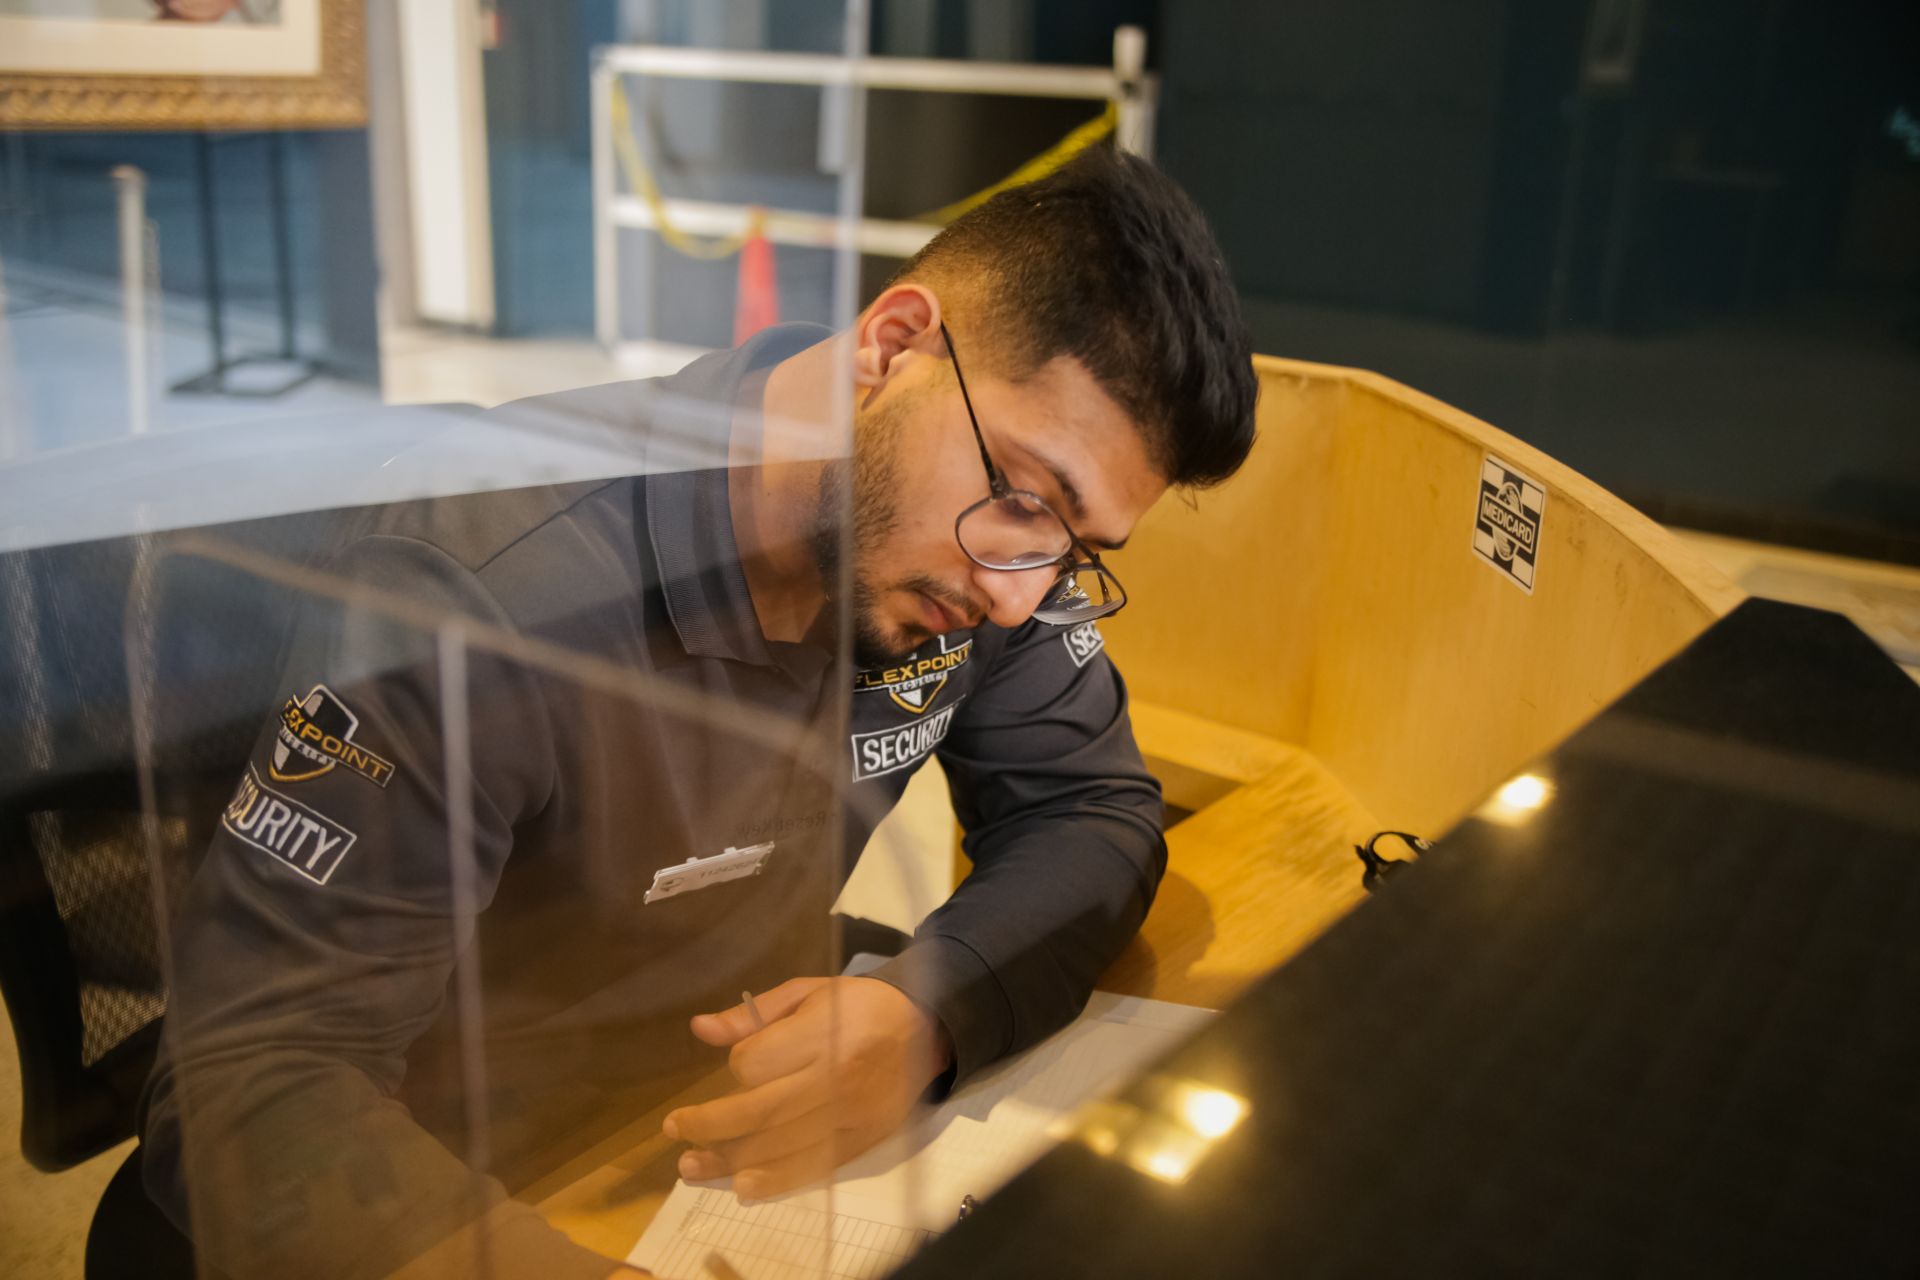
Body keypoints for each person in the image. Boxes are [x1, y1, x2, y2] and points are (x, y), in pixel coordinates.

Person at [138, 145, 1257, 1279]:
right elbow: (249, 1080)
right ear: (891, 345)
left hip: (712, 1097)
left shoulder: (971, 571)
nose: (1022, 596)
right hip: (460, 1175)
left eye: (1074, 545)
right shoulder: (487, 585)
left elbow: (1094, 807)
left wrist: (930, 1007)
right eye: (1025, 497)